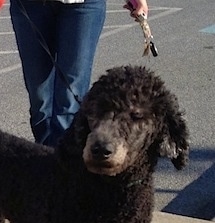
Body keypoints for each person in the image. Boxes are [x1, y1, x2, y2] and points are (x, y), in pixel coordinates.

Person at [10, 0, 149, 147]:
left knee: (70, 97)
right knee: (39, 98)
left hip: (83, 6)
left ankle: (61, 160)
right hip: (29, 5)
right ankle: (46, 154)